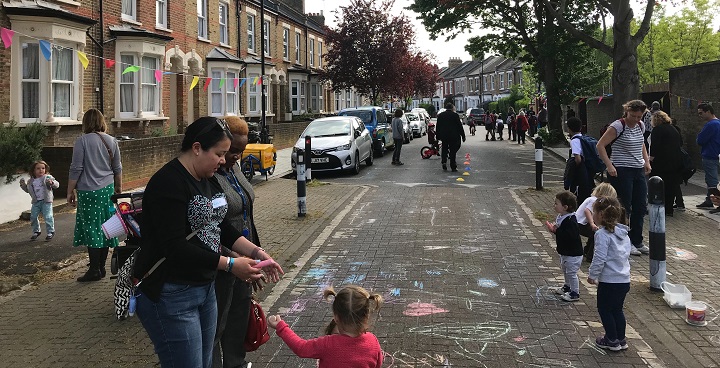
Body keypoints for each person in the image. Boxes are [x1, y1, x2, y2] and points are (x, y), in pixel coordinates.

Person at [134, 117, 284, 368]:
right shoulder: (168, 183)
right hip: (172, 293)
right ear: (196, 148)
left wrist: (257, 252)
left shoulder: (209, 179)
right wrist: (230, 264)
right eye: (219, 154)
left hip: (204, 288)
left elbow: (220, 226)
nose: (224, 161)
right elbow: (174, 247)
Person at [212, 116, 265, 368]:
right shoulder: (210, 175)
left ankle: (236, 364)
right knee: (217, 323)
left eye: (241, 151)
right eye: (233, 150)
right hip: (223, 261)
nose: (236, 156)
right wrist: (233, 259)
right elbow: (212, 226)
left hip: (246, 257)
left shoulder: (234, 168)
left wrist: (256, 252)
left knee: (238, 318)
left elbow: (246, 210)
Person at [67, 108, 123, 282]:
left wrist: (69, 190)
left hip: (88, 191)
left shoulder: (81, 141)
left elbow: (76, 168)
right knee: (106, 228)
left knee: (92, 228)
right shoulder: (111, 140)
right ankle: (101, 267)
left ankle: (94, 269)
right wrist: (118, 186)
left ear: (85, 123)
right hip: (107, 189)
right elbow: (117, 167)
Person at [267, 285, 384, 368]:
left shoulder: (328, 344)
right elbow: (377, 363)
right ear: (366, 317)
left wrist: (281, 327)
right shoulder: (372, 341)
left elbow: (301, 348)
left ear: (336, 318)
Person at [596, 100, 651, 256]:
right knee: (624, 207)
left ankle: (637, 240)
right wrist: (609, 165)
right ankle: (624, 241)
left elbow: (642, 144)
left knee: (640, 206)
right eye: (632, 115)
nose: (635, 119)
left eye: (639, 116)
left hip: (637, 170)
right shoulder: (618, 126)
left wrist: (646, 162)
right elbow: (600, 145)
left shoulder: (641, 126)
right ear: (626, 111)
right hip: (621, 170)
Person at [588, 197, 631, 352]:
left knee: (605, 309)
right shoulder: (624, 233)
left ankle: (611, 339)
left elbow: (599, 257)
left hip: (609, 281)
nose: (592, 215)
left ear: (600, 214)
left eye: (593, 212)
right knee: (617, 310)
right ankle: (621, 338)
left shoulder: (602, 235)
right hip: (624, 280)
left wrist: (592, 275)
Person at [545, 191, 583, 302]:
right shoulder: (562, 216)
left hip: (573, 253)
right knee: (565, 270)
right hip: (565, 251)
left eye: (557, 203)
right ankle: (567, 286)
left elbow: (570, 236)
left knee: (571, 273)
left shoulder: (571, 220)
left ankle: (575, 292)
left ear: (565, 207)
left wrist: (556, 231)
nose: (554, 206)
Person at [649, 111, 683, 217]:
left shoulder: (657, 130)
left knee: (658, 184)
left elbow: (654, 146)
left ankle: (659, 208)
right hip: (675, 161)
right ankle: (669, 209)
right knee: (671, 185)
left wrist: (650, 159)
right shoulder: (673, 129)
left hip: (661, 162)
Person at [575, 183, 617, 263]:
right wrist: (592, 223)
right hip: (580, 224)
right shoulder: (594, 200)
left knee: (593, 234)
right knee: (596, 234)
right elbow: (587, 211)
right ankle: (590, 256)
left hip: (579, 222)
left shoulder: (591, 198)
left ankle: (587, 250)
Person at [19, 160, 59, 241]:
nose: (41, 170)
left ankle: (50, 232)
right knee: (33, 217)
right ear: (33, 170)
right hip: (36, 202)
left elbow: (57, 185)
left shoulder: (47, 177)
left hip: (46, 201)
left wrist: (52, 183)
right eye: (38, 168)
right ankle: (36, 231)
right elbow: (28, 190)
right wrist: (23, 185)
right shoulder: (31, 181)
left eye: (43, 168)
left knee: (48, 216)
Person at [695, 103, 720, 213]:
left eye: (701, 113)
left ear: (708, 111)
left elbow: (700, 140)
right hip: (717, 155)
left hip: (710, 155)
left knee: (712, 181)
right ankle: (709, 199)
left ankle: (716, 203)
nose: (700, 116)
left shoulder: (710, 125)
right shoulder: (718, 123)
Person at [565, 117, 592, 203]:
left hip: (580, 173)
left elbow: (578, 158)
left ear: (569, 128)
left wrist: (574, 168)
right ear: (580, 128)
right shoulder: (585, 138)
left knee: (578, 195)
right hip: (588, 170)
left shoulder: (574, 141)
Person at [435, 103, 466, 172]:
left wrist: (437, 136)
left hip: (444, 135)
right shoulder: (455, 115)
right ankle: (453, 166)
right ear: (452, 108)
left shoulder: (441, 115)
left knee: (444, 148)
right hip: (453, 136)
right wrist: (463, 136)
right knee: (453, 151)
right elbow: (459, 126)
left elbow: (438, 126)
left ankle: (444, 162)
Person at [670, 118, 686, 211]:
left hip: (673, 161)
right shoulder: (677, 131)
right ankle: (679, 203)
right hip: (677, 160)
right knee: (676, 183)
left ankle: (678, 203)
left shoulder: (672, 131)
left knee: (674, 182)